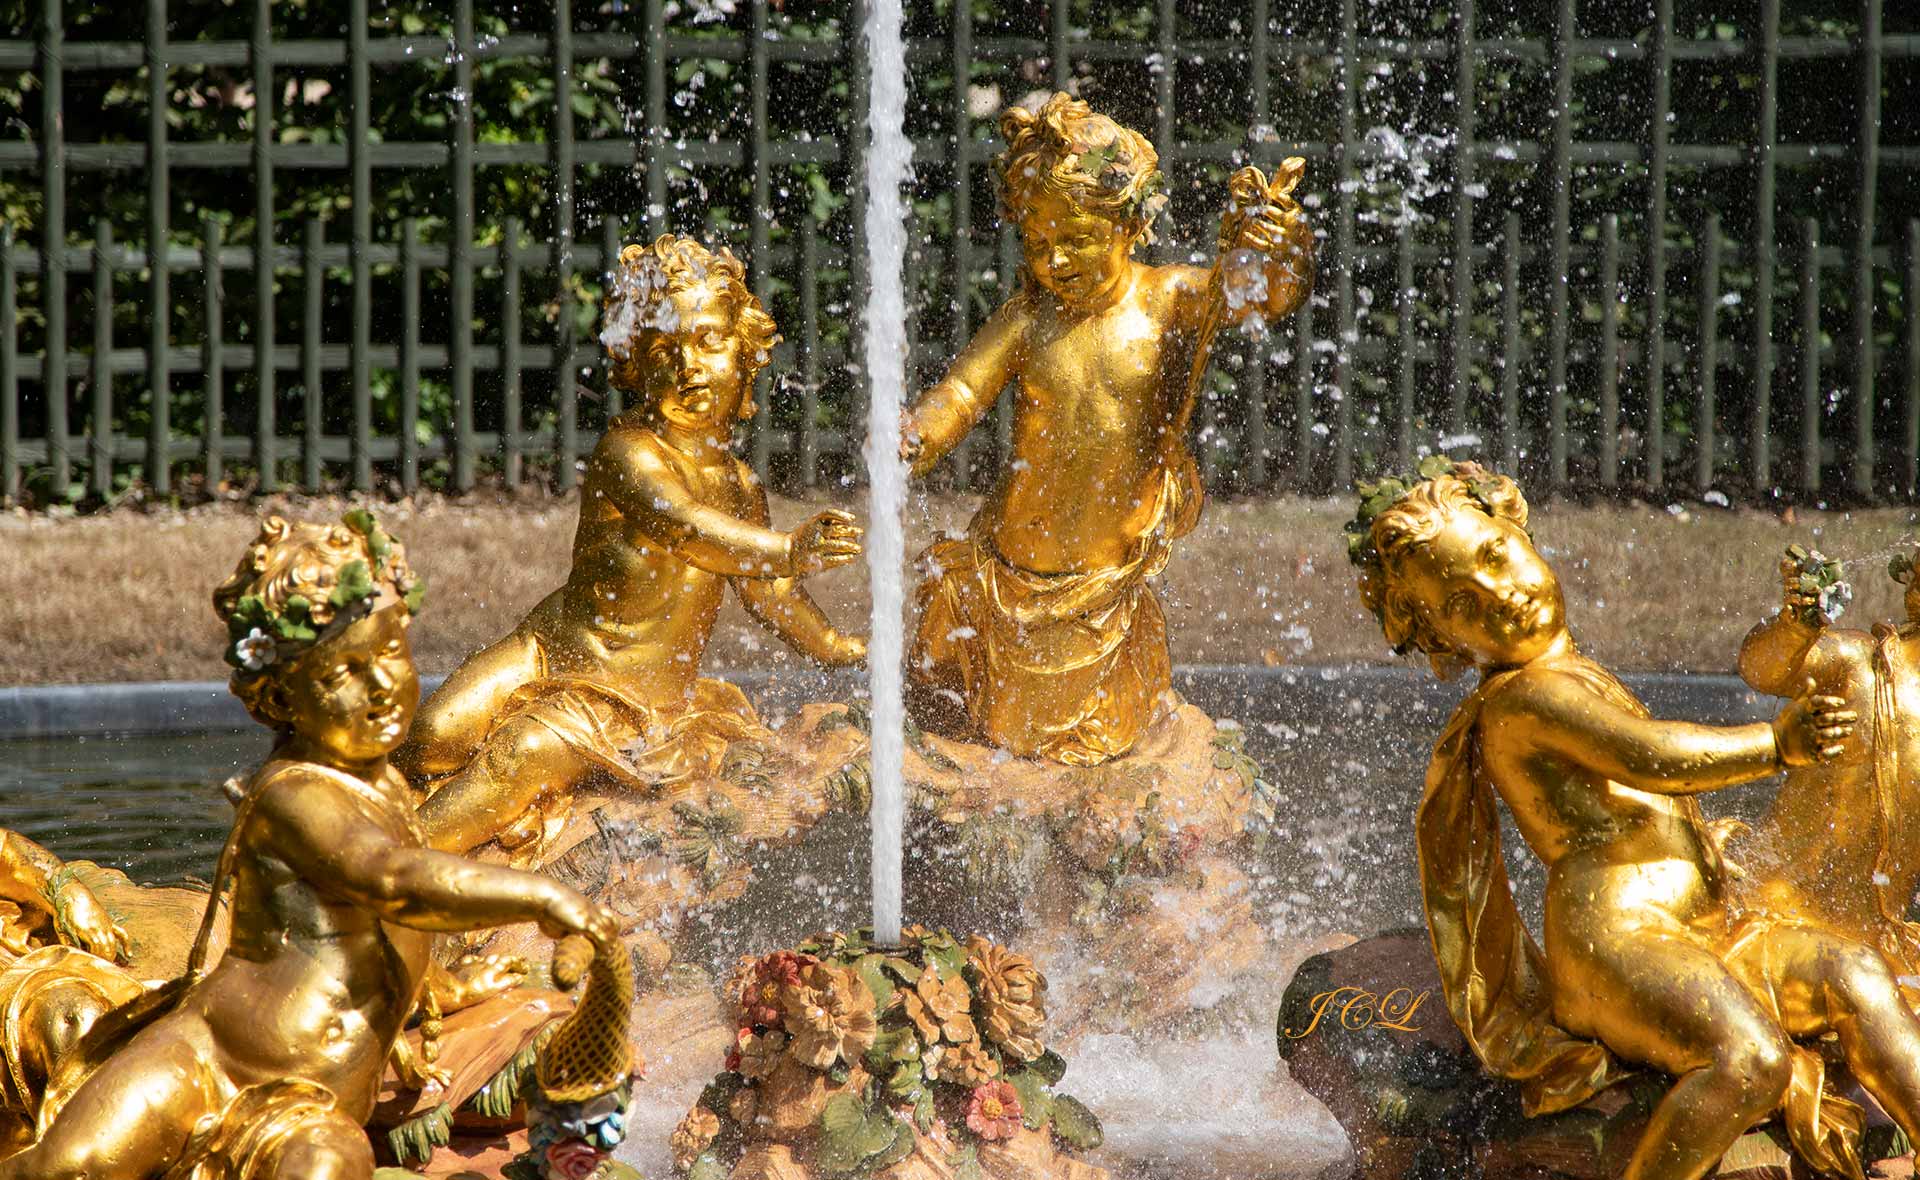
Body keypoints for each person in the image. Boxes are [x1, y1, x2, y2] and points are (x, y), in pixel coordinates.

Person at [0, 512, 622, 1180]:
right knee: (65, 1168)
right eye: (342, 675)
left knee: (328, 1164)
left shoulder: (381, 785)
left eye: (390, 653)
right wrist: (540, 897)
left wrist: (446, 985)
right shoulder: (295, 795)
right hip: (203, 1060)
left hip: (308, 1107)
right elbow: (389, 881)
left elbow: (365, 934)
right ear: (282, 697)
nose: (381, 687)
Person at [1349, 459, 1920, 1180]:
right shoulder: (1521, 700)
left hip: (1704, 930)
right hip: (1616, 946)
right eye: (1461, 604)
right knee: (1748, 1060)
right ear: (1442, 641)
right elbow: (1646, 756)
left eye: (1496, 556)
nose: (1500, 595)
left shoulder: (1571, 669)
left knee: (1857, 973)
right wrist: (1775, 745)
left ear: (1520, 529)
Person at [397, 234, 866, 858]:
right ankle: (353, 818)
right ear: (636, 365)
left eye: (707, 342)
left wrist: (837, 645)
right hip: (550, 652)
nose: (688, 367)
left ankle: (393, 868)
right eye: (664, 350)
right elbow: (686, 527)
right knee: (430, 734)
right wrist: (788, 548)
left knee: (524, 754)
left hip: (643, 701)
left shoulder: (741, 487)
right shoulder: (629, 451)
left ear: (747, 354)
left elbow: (771, 595)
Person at [900, 92, 1313, 765]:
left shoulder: (1169, 301)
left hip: (1101, 596)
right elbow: (962, 392)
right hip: (1005, 578)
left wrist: (1275, 255)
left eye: (1077, 239)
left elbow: (1252, 294)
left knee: (1089, 757)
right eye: (1038, 243)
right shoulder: (1029, 317)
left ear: (1128, 223)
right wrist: (918, 435)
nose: (1054, 261)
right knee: (964, 727)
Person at [1735, 545, 1920, 976]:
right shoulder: (1862, 665)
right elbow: (1761, 670)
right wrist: (1796, 626)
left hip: (1871, 948)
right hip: (1768, 914)